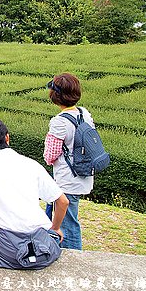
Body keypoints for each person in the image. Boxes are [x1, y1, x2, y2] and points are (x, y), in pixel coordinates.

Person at [0, 116, 69, 270]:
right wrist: (55, 228)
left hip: (6, 247)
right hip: (40, 243)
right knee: (54, 237)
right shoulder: (31, 164)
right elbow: (63, 201)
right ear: (7, 137)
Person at [44, 73, 95, 250]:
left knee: (68, 223)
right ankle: (50, 244)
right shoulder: (84, 113)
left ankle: (73, 256)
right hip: (83, 171)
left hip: (67, 178)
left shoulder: (59, 122)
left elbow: (50, 154)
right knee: (55, 214)